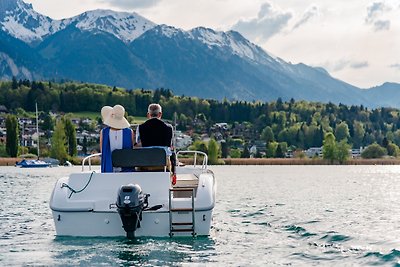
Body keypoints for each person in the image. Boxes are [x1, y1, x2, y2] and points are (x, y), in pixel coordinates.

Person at [135, 103, 176, 176]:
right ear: (160, 114)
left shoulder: (140, 127)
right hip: (163, 164)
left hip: (145, 163)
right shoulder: (169, 128)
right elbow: (171, 145)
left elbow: (138, 144)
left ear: (148, 114)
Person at [100, 104, 134, 173]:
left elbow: (102, 151)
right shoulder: (129, 132)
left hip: (108, 169)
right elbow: (132, 149)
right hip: (126, 169)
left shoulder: (103, 132)